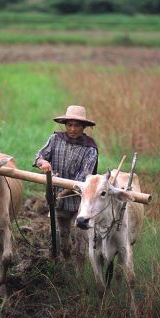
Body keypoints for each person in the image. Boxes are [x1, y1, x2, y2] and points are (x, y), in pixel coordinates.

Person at [33, 105, 98, 259]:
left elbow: (84, 177)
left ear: (83, 127)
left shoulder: (90, 148)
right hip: (57, 199)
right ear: (65, 125)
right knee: (61, 235)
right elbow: (39, 156)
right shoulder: (55, 139)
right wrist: (43, 163)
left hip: (80, 201)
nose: (73, 129)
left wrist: (63, 193)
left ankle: (79, 271)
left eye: (77, 125)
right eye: (69, 125)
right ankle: (63, 260)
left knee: (81, 238)